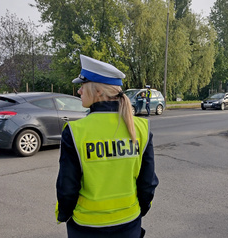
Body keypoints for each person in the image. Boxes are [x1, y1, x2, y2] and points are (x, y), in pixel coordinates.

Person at [55, 54, 159, 238]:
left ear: (98, 92)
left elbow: (67, 189)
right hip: (129, 224)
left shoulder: (74, 131)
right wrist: (138, 213)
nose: (79, 91)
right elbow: (147, 183)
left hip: (86, 227)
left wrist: (64, 216)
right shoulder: (141, 127)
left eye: (82, 86)